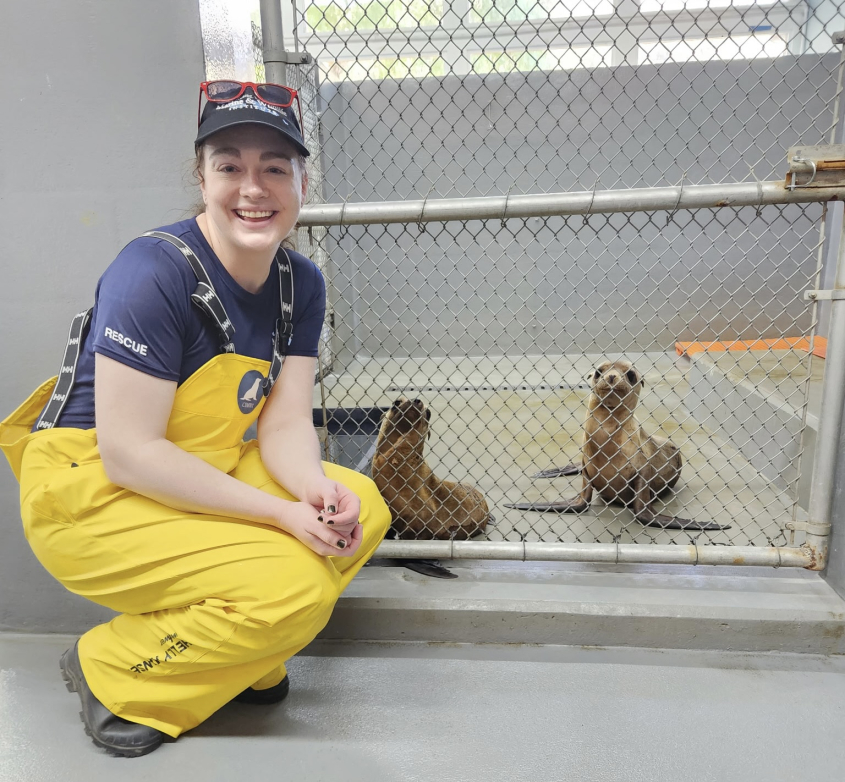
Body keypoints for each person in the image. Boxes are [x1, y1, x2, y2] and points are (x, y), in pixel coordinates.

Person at [0, 80, 391, 757]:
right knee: (293, 584)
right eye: (229, 165)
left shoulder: (300, 281)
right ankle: (114, 667)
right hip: (90, 489)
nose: (252, 187)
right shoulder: (154, 271)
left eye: (274, 167)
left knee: (359, 505)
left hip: (199, 459)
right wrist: (277, 515)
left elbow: (283, 423)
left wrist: (309, 490)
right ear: (201, 176)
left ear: (302, 180)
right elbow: (129, 454)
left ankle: (242, 654)